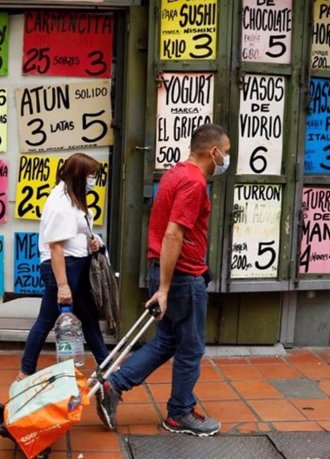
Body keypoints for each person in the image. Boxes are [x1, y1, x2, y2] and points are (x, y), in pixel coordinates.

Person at [96, 123, 230, 436]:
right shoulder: (195, 182)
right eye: (226, 153)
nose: (226, 159)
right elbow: (174, 233)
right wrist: (167, 289)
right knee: (191, 348)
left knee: (167, 340)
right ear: (215, 152)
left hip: (169, 269)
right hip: (182, 278)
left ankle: (113, 385)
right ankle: (179, 413)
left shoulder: (174, 173)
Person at [17, 152, 109, 380]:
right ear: (79, 176)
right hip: (65, 269)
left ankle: (106, 365)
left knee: (88, 318)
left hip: (74, 266)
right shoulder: (62, 202)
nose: (93, 180)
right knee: (47, 320)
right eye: (90, 175)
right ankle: (25, 371)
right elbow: (56, 246)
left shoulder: (71, 196)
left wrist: (92, 241)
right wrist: (63, 286)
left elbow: (72, 234)